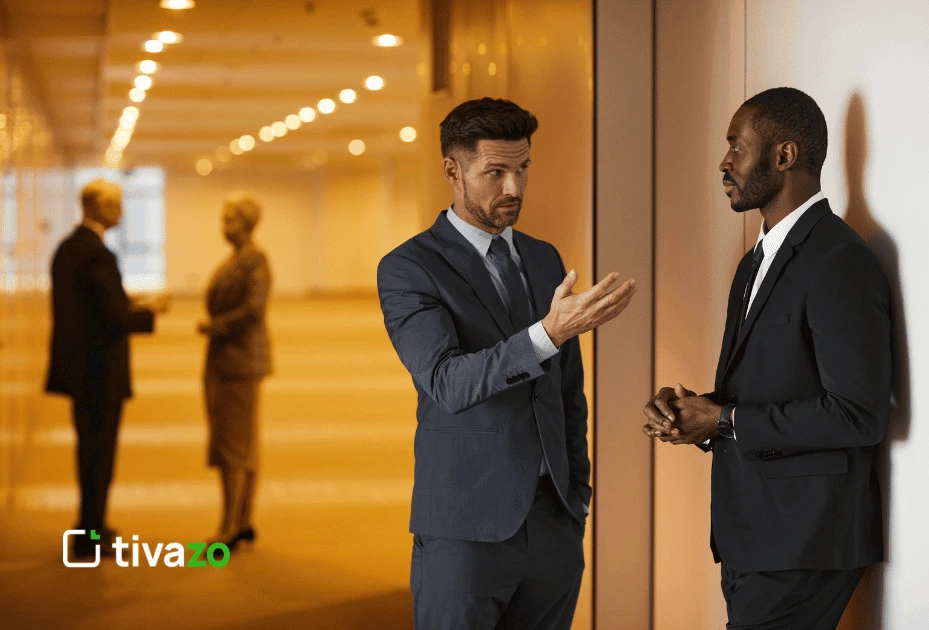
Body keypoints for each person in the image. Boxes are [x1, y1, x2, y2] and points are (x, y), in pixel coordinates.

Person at [378, 97, 637, 629]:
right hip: (465, 529)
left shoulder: (543, 258)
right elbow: (447, 382)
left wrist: (576, 498)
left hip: (553, 525)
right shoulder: (409, 268)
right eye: (495, 172)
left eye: (523, 169)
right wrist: (548, 334)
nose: (514, 188)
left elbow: (567, 393)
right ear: (453, 170)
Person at [643, 87, 892, 628]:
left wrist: (725, 419)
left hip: (805, 543)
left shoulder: (838, 259)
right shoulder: (754, 261)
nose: (724, 162)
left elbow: (859, 414)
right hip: (752, 539)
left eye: (737, 146)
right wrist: (695, 411)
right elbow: (768, 387)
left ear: (784, 155)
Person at [46, 178, 171, 558]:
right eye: (116, 204)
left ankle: (89, 526)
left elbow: (92, 307)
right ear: (98, 207)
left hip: (79, 371)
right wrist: (150, 311)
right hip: (100, 373)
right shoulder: (98, 255)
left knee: (87, 452)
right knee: (100, 457)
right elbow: (114, 319)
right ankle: (92, 535)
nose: (122, 211)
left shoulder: (67, 248)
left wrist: (128, 302)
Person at [198, 192, 272, 550]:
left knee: (233, 447)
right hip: (228, 360)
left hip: (238, 363)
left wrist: (216, 326)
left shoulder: (254, 261)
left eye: (230, 220)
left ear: (247, 224)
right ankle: (242, 521)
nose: (224, 227)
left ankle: (229, 527)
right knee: (242, 445)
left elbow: (254, 310)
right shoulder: (237, 260)